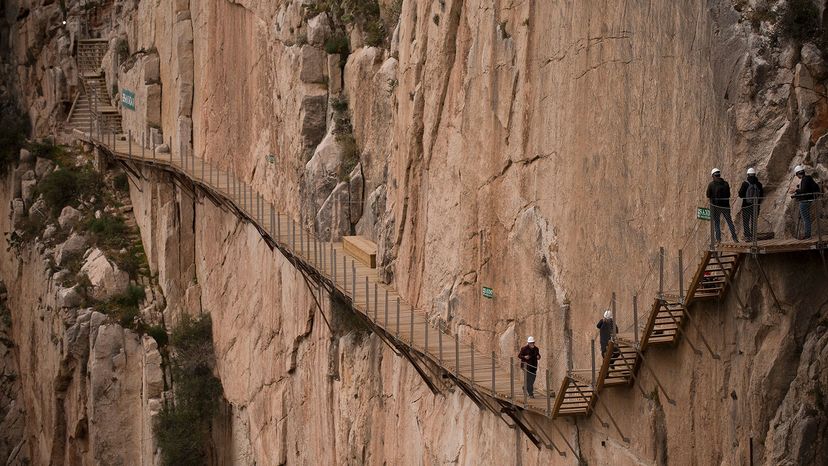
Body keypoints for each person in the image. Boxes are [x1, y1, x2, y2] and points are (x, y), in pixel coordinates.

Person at [706, 168, 738, 243]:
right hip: (725, 206)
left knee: (717, 223)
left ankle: (718, 240)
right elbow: (729, 194)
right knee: (729, 222)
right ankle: (735, 238)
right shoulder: (726, 183)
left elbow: (708, 195)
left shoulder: (711, 184)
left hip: (716, 207)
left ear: (713, 175)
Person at [791, 165, 821, 239]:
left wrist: (795, 190)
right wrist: (798, 188)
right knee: (806, 218)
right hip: (808, 200)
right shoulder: (808, 178)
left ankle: (807, 235)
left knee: (805, 218)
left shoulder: (805, 179)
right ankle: (807, 234)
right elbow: (805, 189)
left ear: (798, 174)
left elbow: (803, 191)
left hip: (804, 201)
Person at [738, 167, 764, 240]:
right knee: (754, 220)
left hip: (746, 205)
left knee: (746, 221)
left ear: (748, 175)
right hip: (756, 205)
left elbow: (740, 194)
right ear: (754, 174)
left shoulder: (745, 184)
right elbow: (761, 195)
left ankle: (747, 236)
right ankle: (754, 236)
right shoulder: (759, 184)